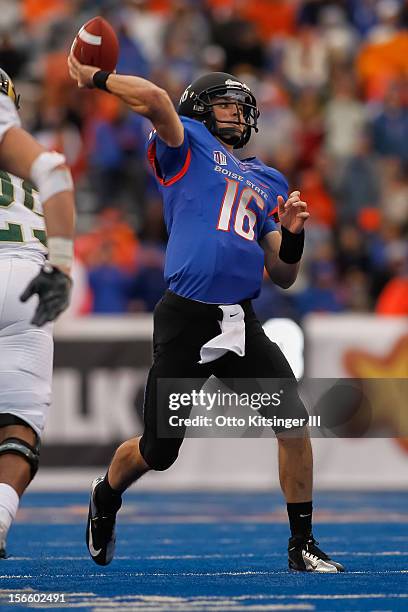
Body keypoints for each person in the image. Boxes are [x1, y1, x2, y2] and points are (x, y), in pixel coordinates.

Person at [68, 53, 344, 573]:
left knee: (293, 424)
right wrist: (96, 77)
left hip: (242, 320)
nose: (238, 117)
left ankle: (301, 544)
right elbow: (152, 99)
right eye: (226, 106)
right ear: (199, 109)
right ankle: (106, 494)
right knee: (159, 450)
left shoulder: (268, 179)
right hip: (188, 317)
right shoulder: (186, 143)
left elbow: (283, 274)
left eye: (242, 109)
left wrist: (294, 234)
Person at [0, 68, 75, 556]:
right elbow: (54, 171)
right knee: (19, 423)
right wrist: (62, 266)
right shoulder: (17, 152)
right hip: (22, 274)